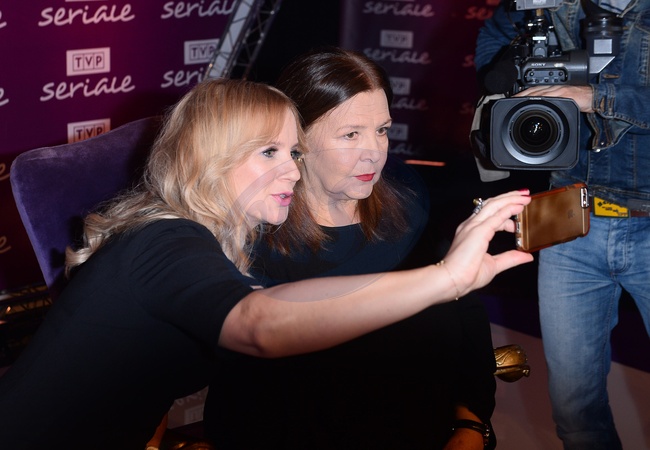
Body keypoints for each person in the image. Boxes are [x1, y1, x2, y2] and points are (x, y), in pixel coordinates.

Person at [0, 77, 532, 450]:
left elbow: (279, 303)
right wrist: (444, 278)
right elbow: (260, 324)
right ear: (212, 156)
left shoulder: (208, 242)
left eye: (294, 152)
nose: (294, 172)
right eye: (269, 152)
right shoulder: (166, 239)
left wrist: (442, 283)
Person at [204, 48, 499, 450]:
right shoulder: (251, 241)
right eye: (351, 135)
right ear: (298, 138)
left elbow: (466, 322)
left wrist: (471, 422)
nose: (375, 152)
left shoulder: (409, 210)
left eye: (382, 130)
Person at [475, 2, 650, 449]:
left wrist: (594, 97)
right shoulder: (549, 2)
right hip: (569, 218)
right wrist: (516, 85)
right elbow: (494, 35)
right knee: (575, 409)